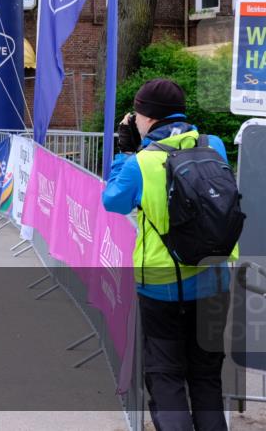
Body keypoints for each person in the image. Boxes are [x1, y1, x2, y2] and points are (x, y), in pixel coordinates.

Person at [101, 79, 236, 430]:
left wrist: (125, 150)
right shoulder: (214, 146)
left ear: (146, 117)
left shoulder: (141, 163)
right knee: (206, 378)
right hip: (214, 281)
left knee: (166, 377)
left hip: (162, 286)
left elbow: (112, 201)